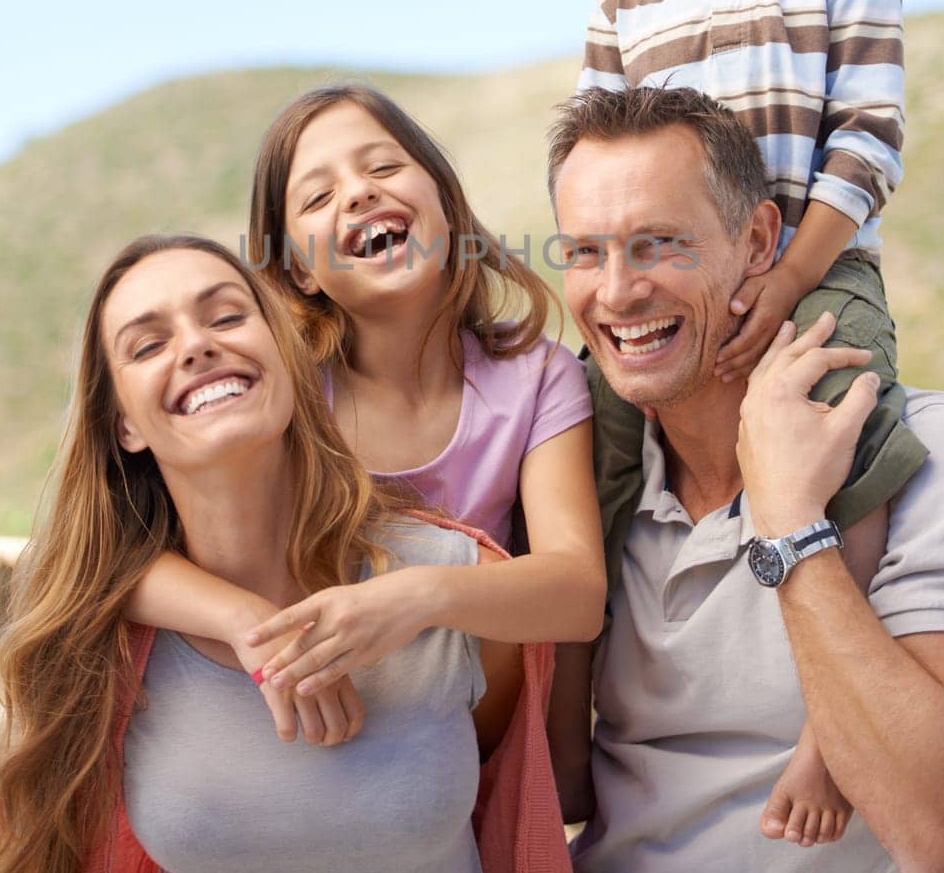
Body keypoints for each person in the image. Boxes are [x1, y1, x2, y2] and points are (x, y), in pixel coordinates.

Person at [0, 235, 577, 873]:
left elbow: (508, 794)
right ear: (125, 425)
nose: (197, 345)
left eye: (226, 314)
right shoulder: (105, 647)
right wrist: (245, 625)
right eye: (149, 344)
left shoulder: (446, 580)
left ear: (286, 359)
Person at [546, 86, 944, 873]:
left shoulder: (934, 450)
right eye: (585, 252)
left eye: (659, 243)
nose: (617, 291)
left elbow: (942, 838)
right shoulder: (586, 499)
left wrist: (791, 522)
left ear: (760, 243)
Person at [576, 0, 926, 843]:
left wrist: (784, 280)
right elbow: (594, 153)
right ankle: (575, 721)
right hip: (667, 296)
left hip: (816, 266)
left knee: (855, 433)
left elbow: (868, 146)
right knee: (583, 448)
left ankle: (834, 726)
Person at [123, 85, 606, 740]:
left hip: (471, 729)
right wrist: (242, 621)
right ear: (299, 271)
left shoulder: (539, 376)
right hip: (308, 717)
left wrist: (416, 598)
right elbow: (120, 558)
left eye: (382, 168)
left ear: (444, 200)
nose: (357, 194)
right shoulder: (283, 393)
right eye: (318, 197)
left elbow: (578, 593)